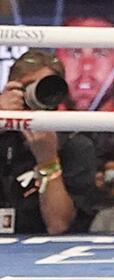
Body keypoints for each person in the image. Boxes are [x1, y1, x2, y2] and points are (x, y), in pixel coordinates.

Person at [0, 49, 96, 236]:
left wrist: (48, 160)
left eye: (46, 87)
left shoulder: (74, 144)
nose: (36, 94)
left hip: (42, 248)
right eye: (28, 86)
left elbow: (59, 225)